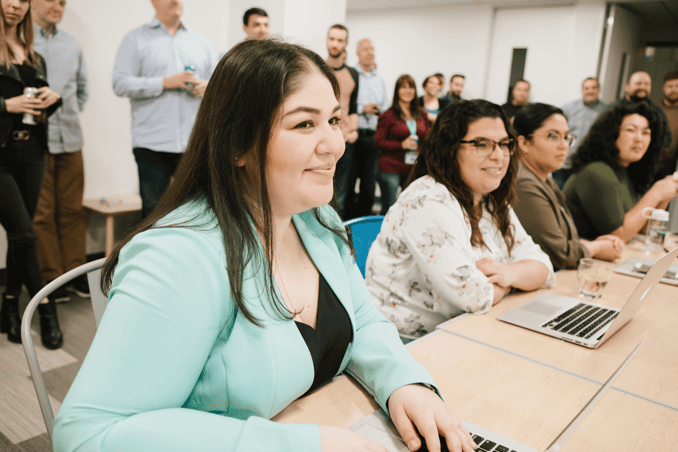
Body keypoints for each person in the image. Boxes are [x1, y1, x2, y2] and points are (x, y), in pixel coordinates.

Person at [52, 39, 477, 452]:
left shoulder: (316, 219)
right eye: (304, 124)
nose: (335, 144)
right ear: (237, 144)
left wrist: (405, 383)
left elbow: (363, 322)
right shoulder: (179, 257)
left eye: (333, 120)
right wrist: (306, 445)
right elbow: (88, 433)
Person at [366, 100, 553, 339]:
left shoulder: (490, 201)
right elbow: (473, 297)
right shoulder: (427, 200)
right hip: (404, 342)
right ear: (450, 148)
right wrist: (514, 280)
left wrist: (506, 274)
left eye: (504, 144)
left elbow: (544, 267)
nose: (498, 155)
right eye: (482, 144)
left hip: (462, 332)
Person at [112, 0, 217, 218]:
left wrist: (207, 86)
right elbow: (120, 83)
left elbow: (219, 83)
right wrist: (165, 82)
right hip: (152, 144)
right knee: (153, 216)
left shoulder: (200, 41)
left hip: (194, 144)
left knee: (198, 214)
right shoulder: (135, 39)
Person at [0, 0, 63, 349]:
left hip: (32, 152)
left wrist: (52, 98)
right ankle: (46, 309)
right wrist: (5, 105)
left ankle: (9, 307)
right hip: (1, 157)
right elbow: (11, 104)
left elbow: (37, 105)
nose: (15, 5)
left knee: (19, 237)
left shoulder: (32, 54)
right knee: (25, 233)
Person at [512, 103, 624, 270]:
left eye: (566, 137)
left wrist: (591, 244)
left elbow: (566, 239)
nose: (563, 145)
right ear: (524, 143)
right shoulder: (523, 183)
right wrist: (597, 247)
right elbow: (560, 255)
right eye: (553, 136)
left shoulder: (545, 178)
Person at [32, 0, 90, 302]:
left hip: (70, 139)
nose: (58, 5)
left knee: (72, 211)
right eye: (52, 0)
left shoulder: (72, 44)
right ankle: (53, 280)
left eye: (63, 2)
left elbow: (82, 91)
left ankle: (76, 274)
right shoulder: (19, 42)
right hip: (35, 142)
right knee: (41, 214)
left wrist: (66, 113)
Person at [563, 102, 678, 242]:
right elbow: (618, 236)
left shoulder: (628, 171)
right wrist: (656, 193)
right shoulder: (597, 171)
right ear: (610, 133)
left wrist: (664, 197)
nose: (639, 139)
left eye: (645, 132)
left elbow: (642, 230)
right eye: (631, 130)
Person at [375, 74, 430, 215]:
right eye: (403, 87)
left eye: (410, 87)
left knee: (409, 208)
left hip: (412, 168)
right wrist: (402, 145)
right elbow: (378, 141)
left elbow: (427, 137)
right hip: (390, 168)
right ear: (397, 91)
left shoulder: (421, 114)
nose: (407, 91)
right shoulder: (388, 115)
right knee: (389, 209)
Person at [347, 37, 388, 218]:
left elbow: (385, 106)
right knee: (348, 181)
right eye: (365, 49)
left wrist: (378, 109)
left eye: (372, 49)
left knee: (368, 184)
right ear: (357, 53)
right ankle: (346, 221)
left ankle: (363, 221)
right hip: (353, 135)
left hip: (373, 137)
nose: (370, 52)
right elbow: (344, 103)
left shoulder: (380, 79)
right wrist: (362, 108)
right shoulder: (350, 75)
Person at [325, 24, 358, 219]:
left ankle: (337, 227)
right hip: (322, 137)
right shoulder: (316, 68)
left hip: (345, 138)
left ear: (346, 43)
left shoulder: (353, 74)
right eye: (332, 39)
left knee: (341, 191)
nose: (335, 44)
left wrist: (354, 131)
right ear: (327, 40)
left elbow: (352, 106)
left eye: (339, 40)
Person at [553, 77, 606, 188]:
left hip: (587, 165)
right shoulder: (568, 108)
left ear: (599, 89)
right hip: (564, 163)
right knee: (557, 194)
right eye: (586, 88)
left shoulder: (606, 111)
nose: (590, 91)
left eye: (593, 87)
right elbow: (555, 130)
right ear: (582, 90)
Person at [609, 71, 671, 151]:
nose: (642, 87)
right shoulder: (613, 109)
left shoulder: (657, 112)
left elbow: (666, 139)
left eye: (646, 84)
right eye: (638, 83)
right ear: (627, 87)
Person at [657, 71, 678, 179]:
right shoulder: (653, 109)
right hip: (651, 161)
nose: (673, 89)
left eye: (677, 86)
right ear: (663, 88)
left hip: (672, 165)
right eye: (670, 86)